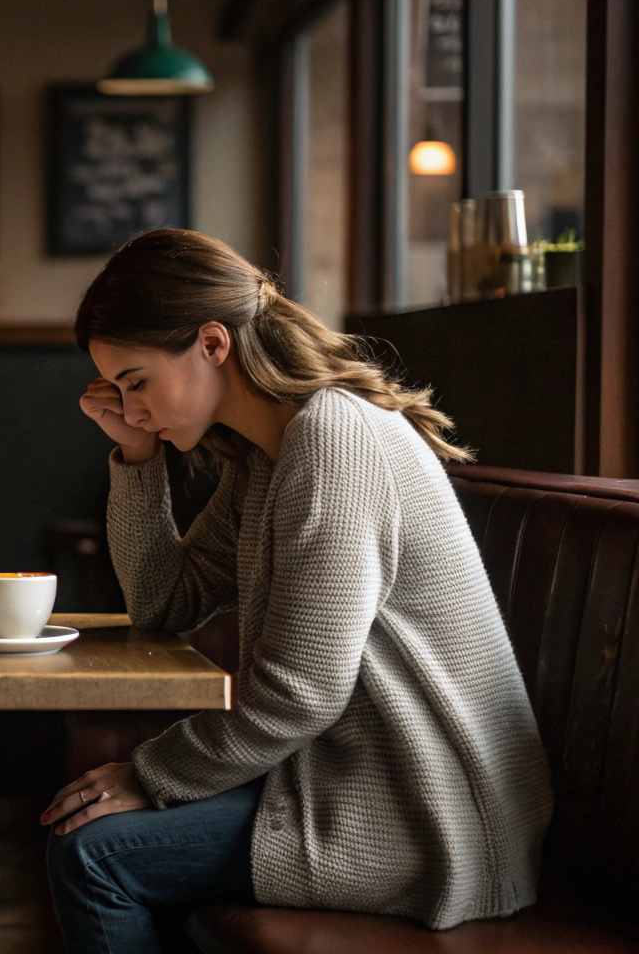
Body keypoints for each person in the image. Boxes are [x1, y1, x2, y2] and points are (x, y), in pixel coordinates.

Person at [41, 228, 552, 953]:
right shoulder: (266, 454)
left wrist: (152, 774)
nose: (130, 403)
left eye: (137, 382)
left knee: (94, 853)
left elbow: (300, 693)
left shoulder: (333, 439)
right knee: (96, 838)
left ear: (212, 344)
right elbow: (165, 604)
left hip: (426, 820)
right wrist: (135, 454)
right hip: (339, 787)